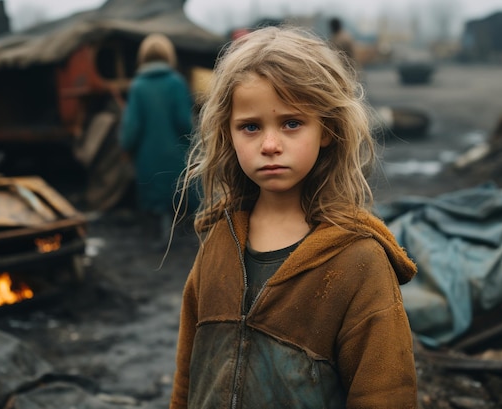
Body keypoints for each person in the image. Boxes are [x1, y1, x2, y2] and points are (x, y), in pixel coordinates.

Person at [170, 26, 418, 408]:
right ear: (228, 134)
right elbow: (186, 379)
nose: (270, 145)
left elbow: (386, 395)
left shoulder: (358, 262)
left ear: (327, 130)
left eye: (291, 123)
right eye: (250, 127)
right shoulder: (220, 242)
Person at [119, 33, 194, 249]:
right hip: (175, 151)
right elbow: (183, 121)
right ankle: (178, 234)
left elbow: (132, 125)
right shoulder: (176, 82)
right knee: (176, 190)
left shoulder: (138, 86)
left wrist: (126, 146)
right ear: (168, 55)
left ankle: (159, 236)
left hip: (147, 154)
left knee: (153, 193)